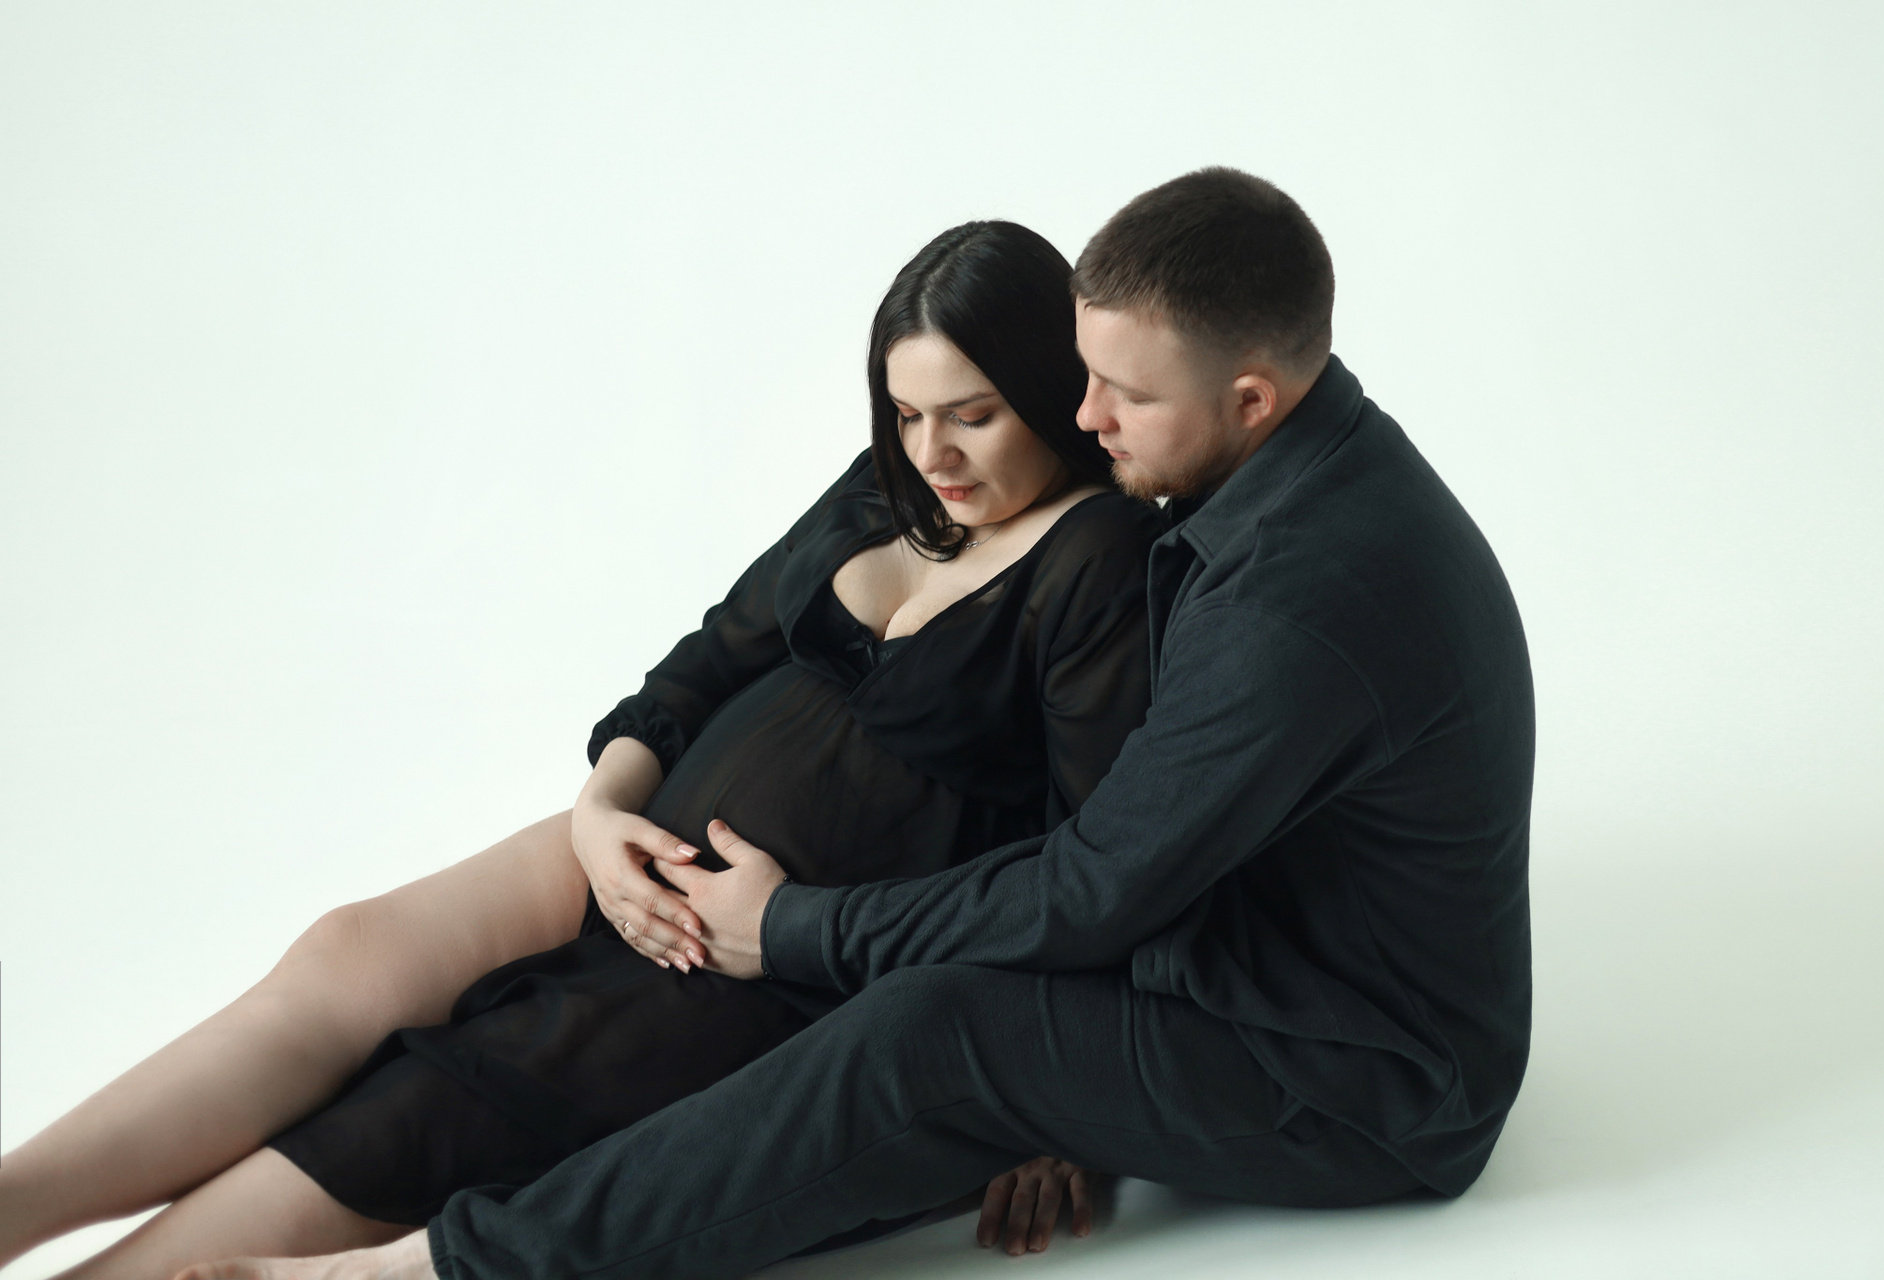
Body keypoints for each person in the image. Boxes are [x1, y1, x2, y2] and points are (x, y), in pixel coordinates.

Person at [183, 165, 1537, 1280]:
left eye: (1125, 396)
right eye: (1083, 375)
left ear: (1252, 398)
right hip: (1233, 947)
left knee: (928, 1036)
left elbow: (1097, 885)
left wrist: (792, 930)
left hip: (1349, 1079)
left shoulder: (1295, 603)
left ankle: (430, 1271)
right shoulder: (1292, 480)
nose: (1084, 417)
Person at [0, 222, 1168, 1280]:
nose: (933, 453)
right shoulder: (891, 485)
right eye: (906, 414)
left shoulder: (1097, 551)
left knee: (424, 1106)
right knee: (348, 953)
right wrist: (603, 812)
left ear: (1049, 386)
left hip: (763, 952)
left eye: (972, 415)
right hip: (629, 841)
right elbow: (709, 657)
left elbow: (1087, 854)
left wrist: (1042, 1094)